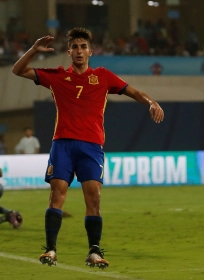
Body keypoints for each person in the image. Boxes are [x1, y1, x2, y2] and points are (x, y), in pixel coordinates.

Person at [12, 28, 164, 269]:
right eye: (75, 47)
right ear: (69, 51)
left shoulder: (103, 76)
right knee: (57, 195)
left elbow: (133, 92)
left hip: (92, 147)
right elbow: (17, 70)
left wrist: (151, 102)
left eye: (83, 46)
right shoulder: (57, 76)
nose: (79, 51)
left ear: (91, 51)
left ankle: (94, 251)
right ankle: (50, 249)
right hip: (63, 144)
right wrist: (33, 49)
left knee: (94, 198)